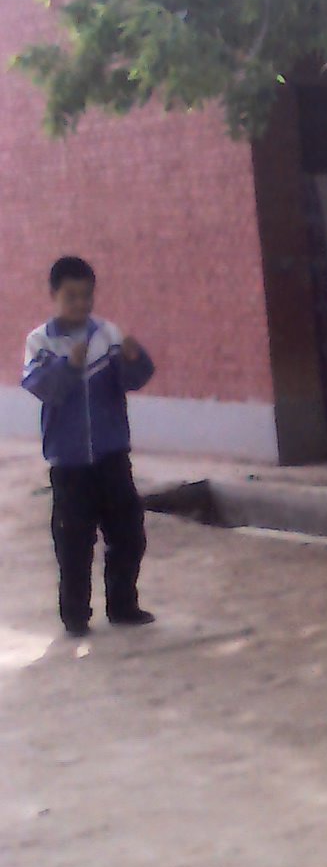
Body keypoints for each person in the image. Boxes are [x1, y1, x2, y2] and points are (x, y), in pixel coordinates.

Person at [22, 255, 157, 637]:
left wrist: (135, 359)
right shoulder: (40, 341)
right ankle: (76, 615)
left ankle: (124, 605)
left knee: (128, 534)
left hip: (112, 455)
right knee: (73, 542)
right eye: (71, 296)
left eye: (86, 296)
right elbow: (42, 387)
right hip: (69, 464)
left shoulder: (107, 334)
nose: (80, 304)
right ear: (53, 296)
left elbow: (134, 379)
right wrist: (68, 366)